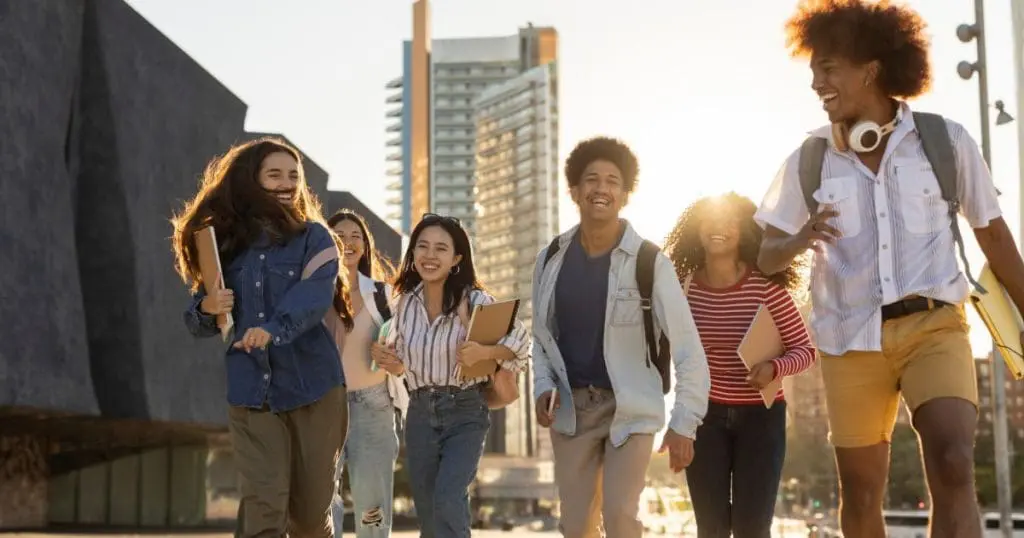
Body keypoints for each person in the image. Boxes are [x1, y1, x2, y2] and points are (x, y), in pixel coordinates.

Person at [757, 2, 1024, 536]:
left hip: (936, 326)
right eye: (812, 71)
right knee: (859, 492)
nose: (816, 83)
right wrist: (801, 237)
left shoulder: (944, 142)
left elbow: (993, 235)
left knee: (951, 461)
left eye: (828, 68)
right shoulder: (808, 160)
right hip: (849, 340)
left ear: (870, 69)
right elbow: (765, 255)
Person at [531, 136, 709, 538]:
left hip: (630, 409)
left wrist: (685, 423)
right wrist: (542, 386)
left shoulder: (649, 262)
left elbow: (688, 349)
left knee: (621, 518)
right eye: (591, 179)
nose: (602, 188)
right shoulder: (551, 258)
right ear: (574, 191)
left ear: (625, 195)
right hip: (571, 411)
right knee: (575, 526)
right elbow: (541, 339)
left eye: (613, 181)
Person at [172, 137, 345, 538]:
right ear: (252, 180)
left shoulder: (316, 239)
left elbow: (313, 297)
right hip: (252, 394)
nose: (287, 183)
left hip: (315, 391)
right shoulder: (224, 244)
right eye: (275, 175)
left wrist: (271, 329)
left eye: (294, 176)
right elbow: (197, 318)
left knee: (308, 519)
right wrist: (208, 308)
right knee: (263, 512)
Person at [664, 193, 815, 538]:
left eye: (730, 221)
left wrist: (773, 368)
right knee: (711, 528)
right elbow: (673, 358)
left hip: (761, 420)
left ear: (744, 232)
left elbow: (805, 350)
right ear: (697, 230)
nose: (719, 228)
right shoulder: (683, 292)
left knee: (752, 529)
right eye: (711, 220)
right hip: (705, 419)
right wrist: (678, 424)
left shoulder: (767, 290)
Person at [371, 213, 530, 538]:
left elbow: (522, 343)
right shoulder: (403, 305)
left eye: (441, 249)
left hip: (465, 411)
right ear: (413, 253)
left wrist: (485, 353)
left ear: (456, 258)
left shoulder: (475, 301)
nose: (430, 255)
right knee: (429, 513)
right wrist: (389, 360)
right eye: (423, 246)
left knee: (447, 497)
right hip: (419, 412)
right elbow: (403, 365)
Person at [326, 209, 404, 538]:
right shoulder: (312, 294)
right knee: (322, 506)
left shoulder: (384, 295)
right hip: (324, 407)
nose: (348, 241)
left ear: (365, 246)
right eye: (339, 236)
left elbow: (404, 354)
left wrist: (390, 357)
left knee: (372, 510)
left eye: (356, 236)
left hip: (373, 408)